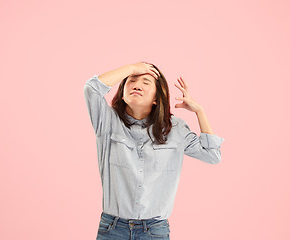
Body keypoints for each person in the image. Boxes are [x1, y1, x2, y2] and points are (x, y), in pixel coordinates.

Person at [83, 61, 225, 240]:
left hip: (154, 231)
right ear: (122, 93)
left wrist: (199, 111)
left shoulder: (175, 130)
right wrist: (132, 68)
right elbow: (91, 88)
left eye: (145, 82)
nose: (137, 85)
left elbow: (212, 155)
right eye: (131, 80)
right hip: (112, 228)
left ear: (157, 98)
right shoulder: (108, 122)